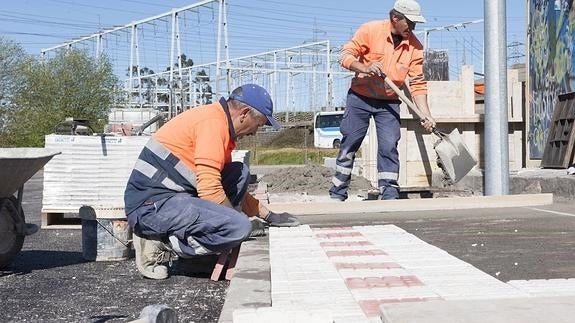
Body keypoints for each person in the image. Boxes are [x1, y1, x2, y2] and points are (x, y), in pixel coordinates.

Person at [124, 83, 300, 280]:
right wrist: (235, 222)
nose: (254, 132)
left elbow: (220, 185)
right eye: (258, 125)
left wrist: (269, 216)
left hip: (175, 199)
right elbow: (210, 190)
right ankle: (158, 243)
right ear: (243, 114)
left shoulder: (219, 124)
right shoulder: (212, 124)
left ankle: (197, 252)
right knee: (239, 227)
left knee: (238, 173)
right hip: (151, 207)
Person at [329, 0, 436, 201]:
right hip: (360, 98)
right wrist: (365, 68)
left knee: (388, 146)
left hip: (389, 102)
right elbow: (345, 56)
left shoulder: (415, 47)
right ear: (395, 18)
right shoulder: (370, 30)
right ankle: (338, 193)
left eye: (415, 24)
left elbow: (418, 84)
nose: (412, 28)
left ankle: (390, 194)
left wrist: (425, 114)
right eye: (409, 22)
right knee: (350, 142)